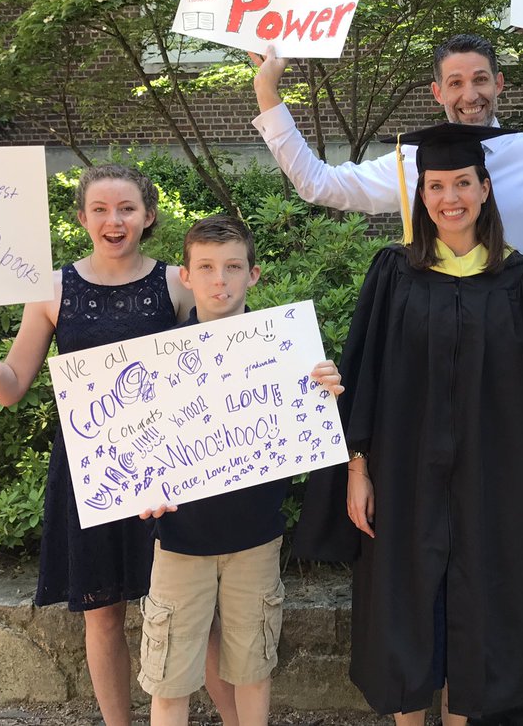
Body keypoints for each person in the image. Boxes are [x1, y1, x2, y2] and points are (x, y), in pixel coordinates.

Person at [293, 123, 523, 726]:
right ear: (421, 195)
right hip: (405, 478)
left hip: (493, 477)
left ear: (486, 189)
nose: (449, 197)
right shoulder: (393, 274)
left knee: (479, 610)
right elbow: (365, 376)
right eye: (436, 185)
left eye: (462, 182)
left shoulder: (520, 278)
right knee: (407, 608)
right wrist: (358, 468)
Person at [0, 165, 194, 726]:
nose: (113, 220)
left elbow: (213, 374)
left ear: (149, 216)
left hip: (168, 471)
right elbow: (11, 388)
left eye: (126, 209)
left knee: (188, 609)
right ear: (81, 217)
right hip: (89, 471)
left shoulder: (177, 284)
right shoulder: (51, 288)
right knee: (103, 613)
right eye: (100, 209)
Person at [135, 215, 343, 726]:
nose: (219, 279)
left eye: (232, 266)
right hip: (180, 540)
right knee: (168, 677)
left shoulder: (287, 352)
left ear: (253, 275)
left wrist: (328, 392)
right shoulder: (155, 360)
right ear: (185, 276)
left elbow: (313, 438)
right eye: (205, 267)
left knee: (253, 667)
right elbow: (136, 449)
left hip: (256, 538)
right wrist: (139, 487)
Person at [249, 32, 523, 257]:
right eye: (455, 83)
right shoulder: (412, 163)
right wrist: (268, 93)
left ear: (499, 84)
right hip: (441, 334)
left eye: (480, 80)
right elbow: (318, 185)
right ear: (438, 93)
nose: (469, 94)